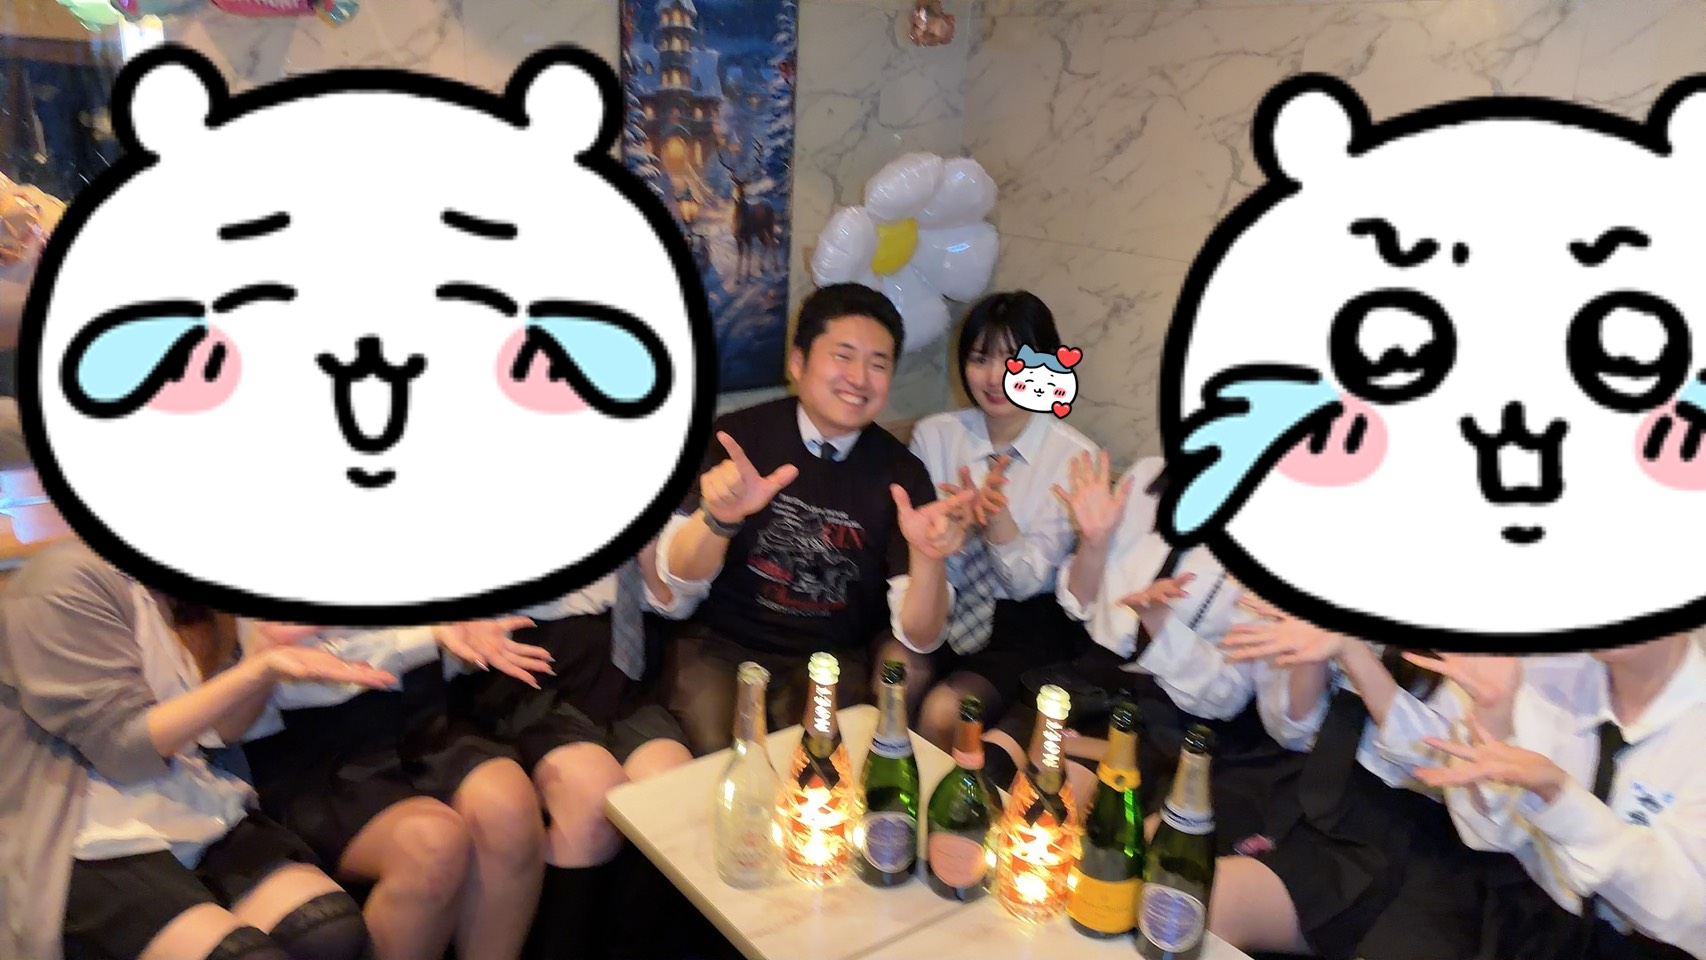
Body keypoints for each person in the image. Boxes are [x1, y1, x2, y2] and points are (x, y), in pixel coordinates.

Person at [0, 398, 396, 960]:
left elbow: (220, 733)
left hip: (182, 792)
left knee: (329, 930)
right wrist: (258, 670)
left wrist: (263, 658)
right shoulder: (64, 576)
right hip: (81, 823)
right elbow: (123, 750)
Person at [652, 282, 971, 755]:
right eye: (843, 356)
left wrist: (928, 556)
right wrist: (718, 519)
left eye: (878, 364)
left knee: (822, 766)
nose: (859, 378)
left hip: (832, 660)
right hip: (720, 647)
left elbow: (921, 638)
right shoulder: (738, 438)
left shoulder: (902, 473)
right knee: (720, 759)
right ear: (798, 363)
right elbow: (677, 580)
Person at [239, 613, 555, 960]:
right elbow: (291, 676)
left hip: (419, 713)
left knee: (509, 808)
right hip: (312, 747)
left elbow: (458, 644)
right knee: (432, 845)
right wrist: (429, 636)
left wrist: (468, 639)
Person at [1202, 602, 1498, 960]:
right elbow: (1293, 731)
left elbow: (1447, 768)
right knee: (1163, 841)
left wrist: (1353, 653)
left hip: (1389, 830)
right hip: (1305, 783)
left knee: (1201, 902)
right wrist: (1310, 656)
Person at [449, 539, 695, 959]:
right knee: (591, 793)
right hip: (532, 667)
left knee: (672, 789)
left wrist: (650, 558)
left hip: (623, 668)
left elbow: (676, 598)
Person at [1396, 637, 1705, 960]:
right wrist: (1493, 723)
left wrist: (1562, 799)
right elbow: (1491, 835)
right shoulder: (1548, 675)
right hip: (1531, 925)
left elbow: (1682, 913)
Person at [889, 291, 1099, 749]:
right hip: (941, 596)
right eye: (980, 358)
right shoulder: (936, 435)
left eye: (1014, 360)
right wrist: (951, 532)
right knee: (894, 680)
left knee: (945, 712)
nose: (994, 377)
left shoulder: (1074, 458)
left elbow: (1026, 584)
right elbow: (916, 546)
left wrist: (997, 520)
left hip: (1021, 625)